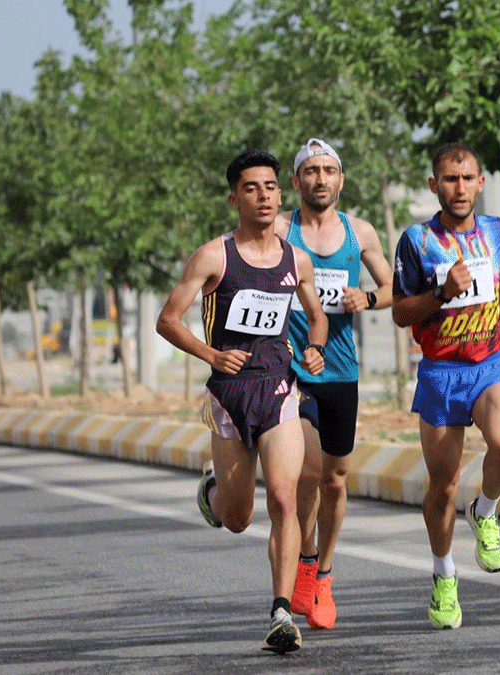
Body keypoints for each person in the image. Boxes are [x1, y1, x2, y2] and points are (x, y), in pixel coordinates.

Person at [155, 149, 328, 653]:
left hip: (278, 388)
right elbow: (168, 319)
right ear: (235, 198)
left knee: (283, 496)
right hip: (229, 396)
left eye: (272, 187)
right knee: (239, 519)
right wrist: (212, 354)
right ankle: (213, 492)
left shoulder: (297, 258)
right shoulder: (213, 256)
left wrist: (314, 349)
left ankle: (280, 611)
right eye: (252, 188)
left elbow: (316, 316)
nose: (265, 196)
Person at [391, 142, 500, 629]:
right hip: (439, 371)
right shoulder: (416, 240)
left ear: (481, 182)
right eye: (449, 180)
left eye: (468, 178)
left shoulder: (499, 231)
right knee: (443, 484)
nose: (460, 188)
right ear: (435, 185)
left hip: (489, 362)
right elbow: (399, 312)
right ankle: (444, 575)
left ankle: (487, 510)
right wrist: (441, 293)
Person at [273, 139, 394, 630]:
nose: (320, 179)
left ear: (341, 181)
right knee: (307, 469)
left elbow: (392, 290)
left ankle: (323, 573)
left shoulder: (358, 232)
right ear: (297, 181)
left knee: (336, 479)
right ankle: (303, 559)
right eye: (310, 171)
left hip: (341, 369)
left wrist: (366, 297)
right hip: (290, 367)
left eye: (328, 171)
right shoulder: (280, 230)